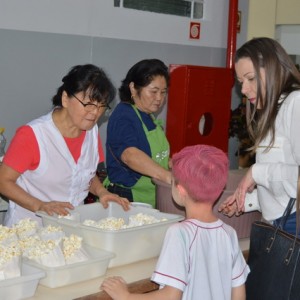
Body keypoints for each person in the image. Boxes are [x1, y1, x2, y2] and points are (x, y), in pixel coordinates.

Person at [101, 144, 249, 300]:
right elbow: (239, 296)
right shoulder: (229, 233)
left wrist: (126, 296)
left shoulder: (179, 233)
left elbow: (171, 296)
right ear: (220, 189)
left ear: (180, 190)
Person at [0, 64, 130, 227]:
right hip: (30, 229)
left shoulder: (91, 131)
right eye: (88, 104)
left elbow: (84, 175)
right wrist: (40, 205)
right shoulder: (33, 135)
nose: (95, 112)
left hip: (71, 228)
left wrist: (102, 192)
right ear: (65, 98)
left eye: (101, 106)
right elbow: (3, 181)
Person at [218, 37, 300, 236]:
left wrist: (256, 172)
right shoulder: (272, 109)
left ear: (273, 68)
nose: (244, 90)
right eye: (240, 82)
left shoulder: (295, 103)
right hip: (278, 221)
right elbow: (281, 184)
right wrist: (246, 201)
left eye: (251, 78)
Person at [104, 59, 171, 208]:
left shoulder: (148, 115)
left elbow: (154, 155)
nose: (159, 98)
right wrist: (168, 177)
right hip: (127, 198)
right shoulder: (124, 115)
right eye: (153, 91)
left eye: (163, 92)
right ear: (133, 88)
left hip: (150, 197)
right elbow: (130, 155)